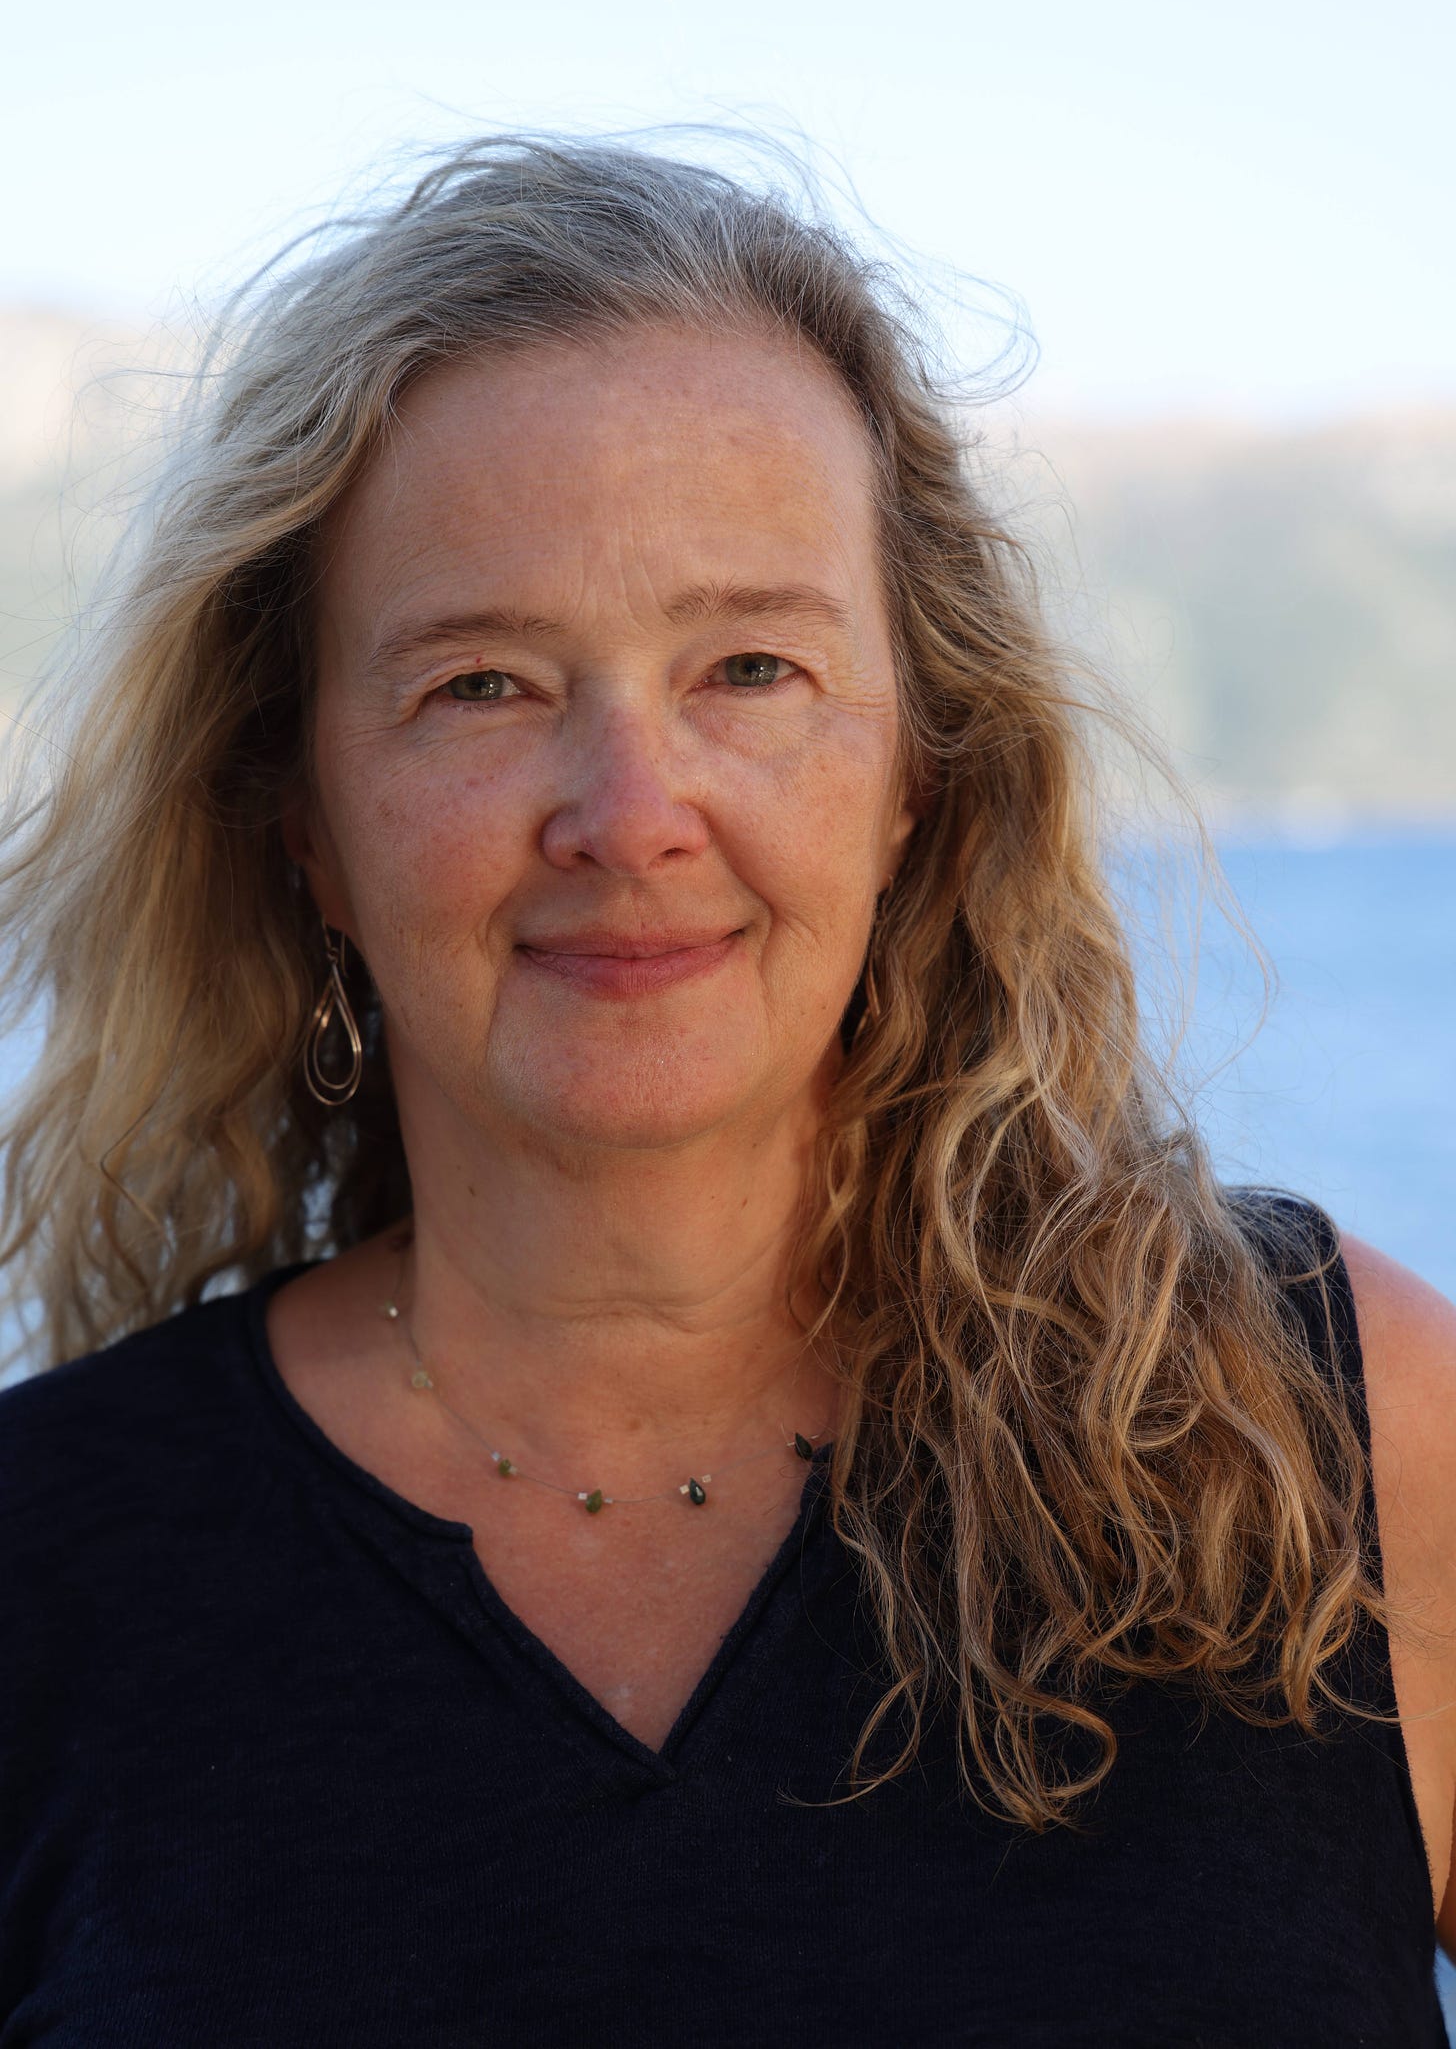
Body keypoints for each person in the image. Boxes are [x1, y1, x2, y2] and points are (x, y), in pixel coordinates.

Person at [0, 136, 1451, 2048]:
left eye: (750, 667)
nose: (630, 814)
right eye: (482, 686)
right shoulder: (44, 1572)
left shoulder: (1328, 1436)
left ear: (919, 766)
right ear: (305, 824)